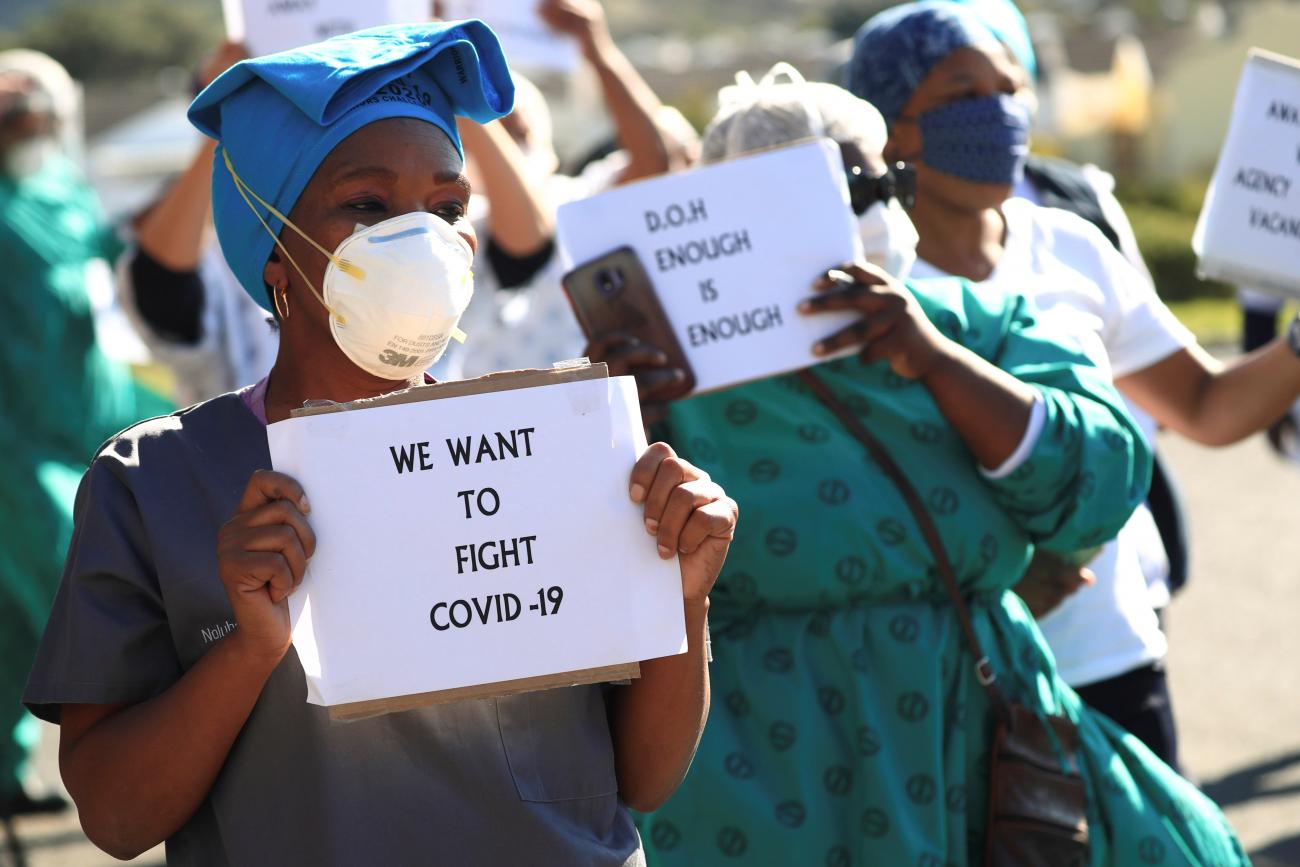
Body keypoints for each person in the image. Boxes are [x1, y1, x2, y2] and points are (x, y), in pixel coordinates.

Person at [22, 22, 738, 865]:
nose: (425, 239)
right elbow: (113, 815)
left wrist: (682, 597)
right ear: (276, 250)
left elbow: (638, 780)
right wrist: (251, 648)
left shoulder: (554, 449)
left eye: (447, 207)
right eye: (366, 205)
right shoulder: (157, 483)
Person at [589, 69, 1245, 866]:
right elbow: (586, 578)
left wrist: (933, 357)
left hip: (961, 732)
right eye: (806, 197)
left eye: (873, 182)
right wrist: (607, 412)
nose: (861, 210)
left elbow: (1101, 481)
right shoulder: (663, 377)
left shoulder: (987, 326)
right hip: (751, 771)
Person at [846, 0, 1300, 772]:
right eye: (962, 95)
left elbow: (1205, 406)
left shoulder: (1069, 246)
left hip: (1110, 654)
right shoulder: (861, 285)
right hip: (952, 671)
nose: (1000, 114)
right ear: (890, 128)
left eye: (1010, 88)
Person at [0, 49, 169, 821]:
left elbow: (100, 259)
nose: (18, 122)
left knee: (14, 618)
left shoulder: (64, 188)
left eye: (26, 108)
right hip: (18, 443)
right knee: (77, 581)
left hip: (95, 424)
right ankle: (144, 757)